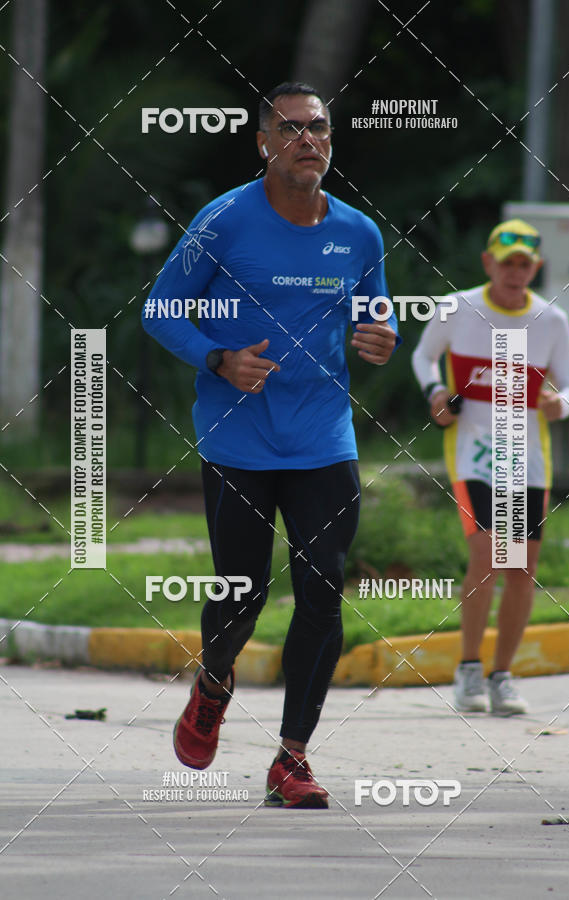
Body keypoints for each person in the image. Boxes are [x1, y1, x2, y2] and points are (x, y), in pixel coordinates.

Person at [142, 82, 398, 807]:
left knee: (322, 589)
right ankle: (213, 683)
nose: (307, 140)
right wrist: (219, 359)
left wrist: (384, 334)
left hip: (323, 436)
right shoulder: (224, 221)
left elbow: (376, 310)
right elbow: (160, 310)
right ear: (263, 143)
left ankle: (292, 759)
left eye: (319, 128)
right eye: (290, 129)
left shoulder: (359, 233)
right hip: (238, 440)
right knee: (242, 595)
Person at [412, 219, 569, 715]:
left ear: (535, 268)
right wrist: (436, 393)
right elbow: (423, 356)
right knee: (487, 557)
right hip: (472, 453)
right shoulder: (456, 307)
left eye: (524, 264)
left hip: (526, 458)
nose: (514, 272)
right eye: (507, 262)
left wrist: (560, 404)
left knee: (522, 569)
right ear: (488, 262)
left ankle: (502, 676)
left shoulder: (552, 320)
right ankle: (469, 669)